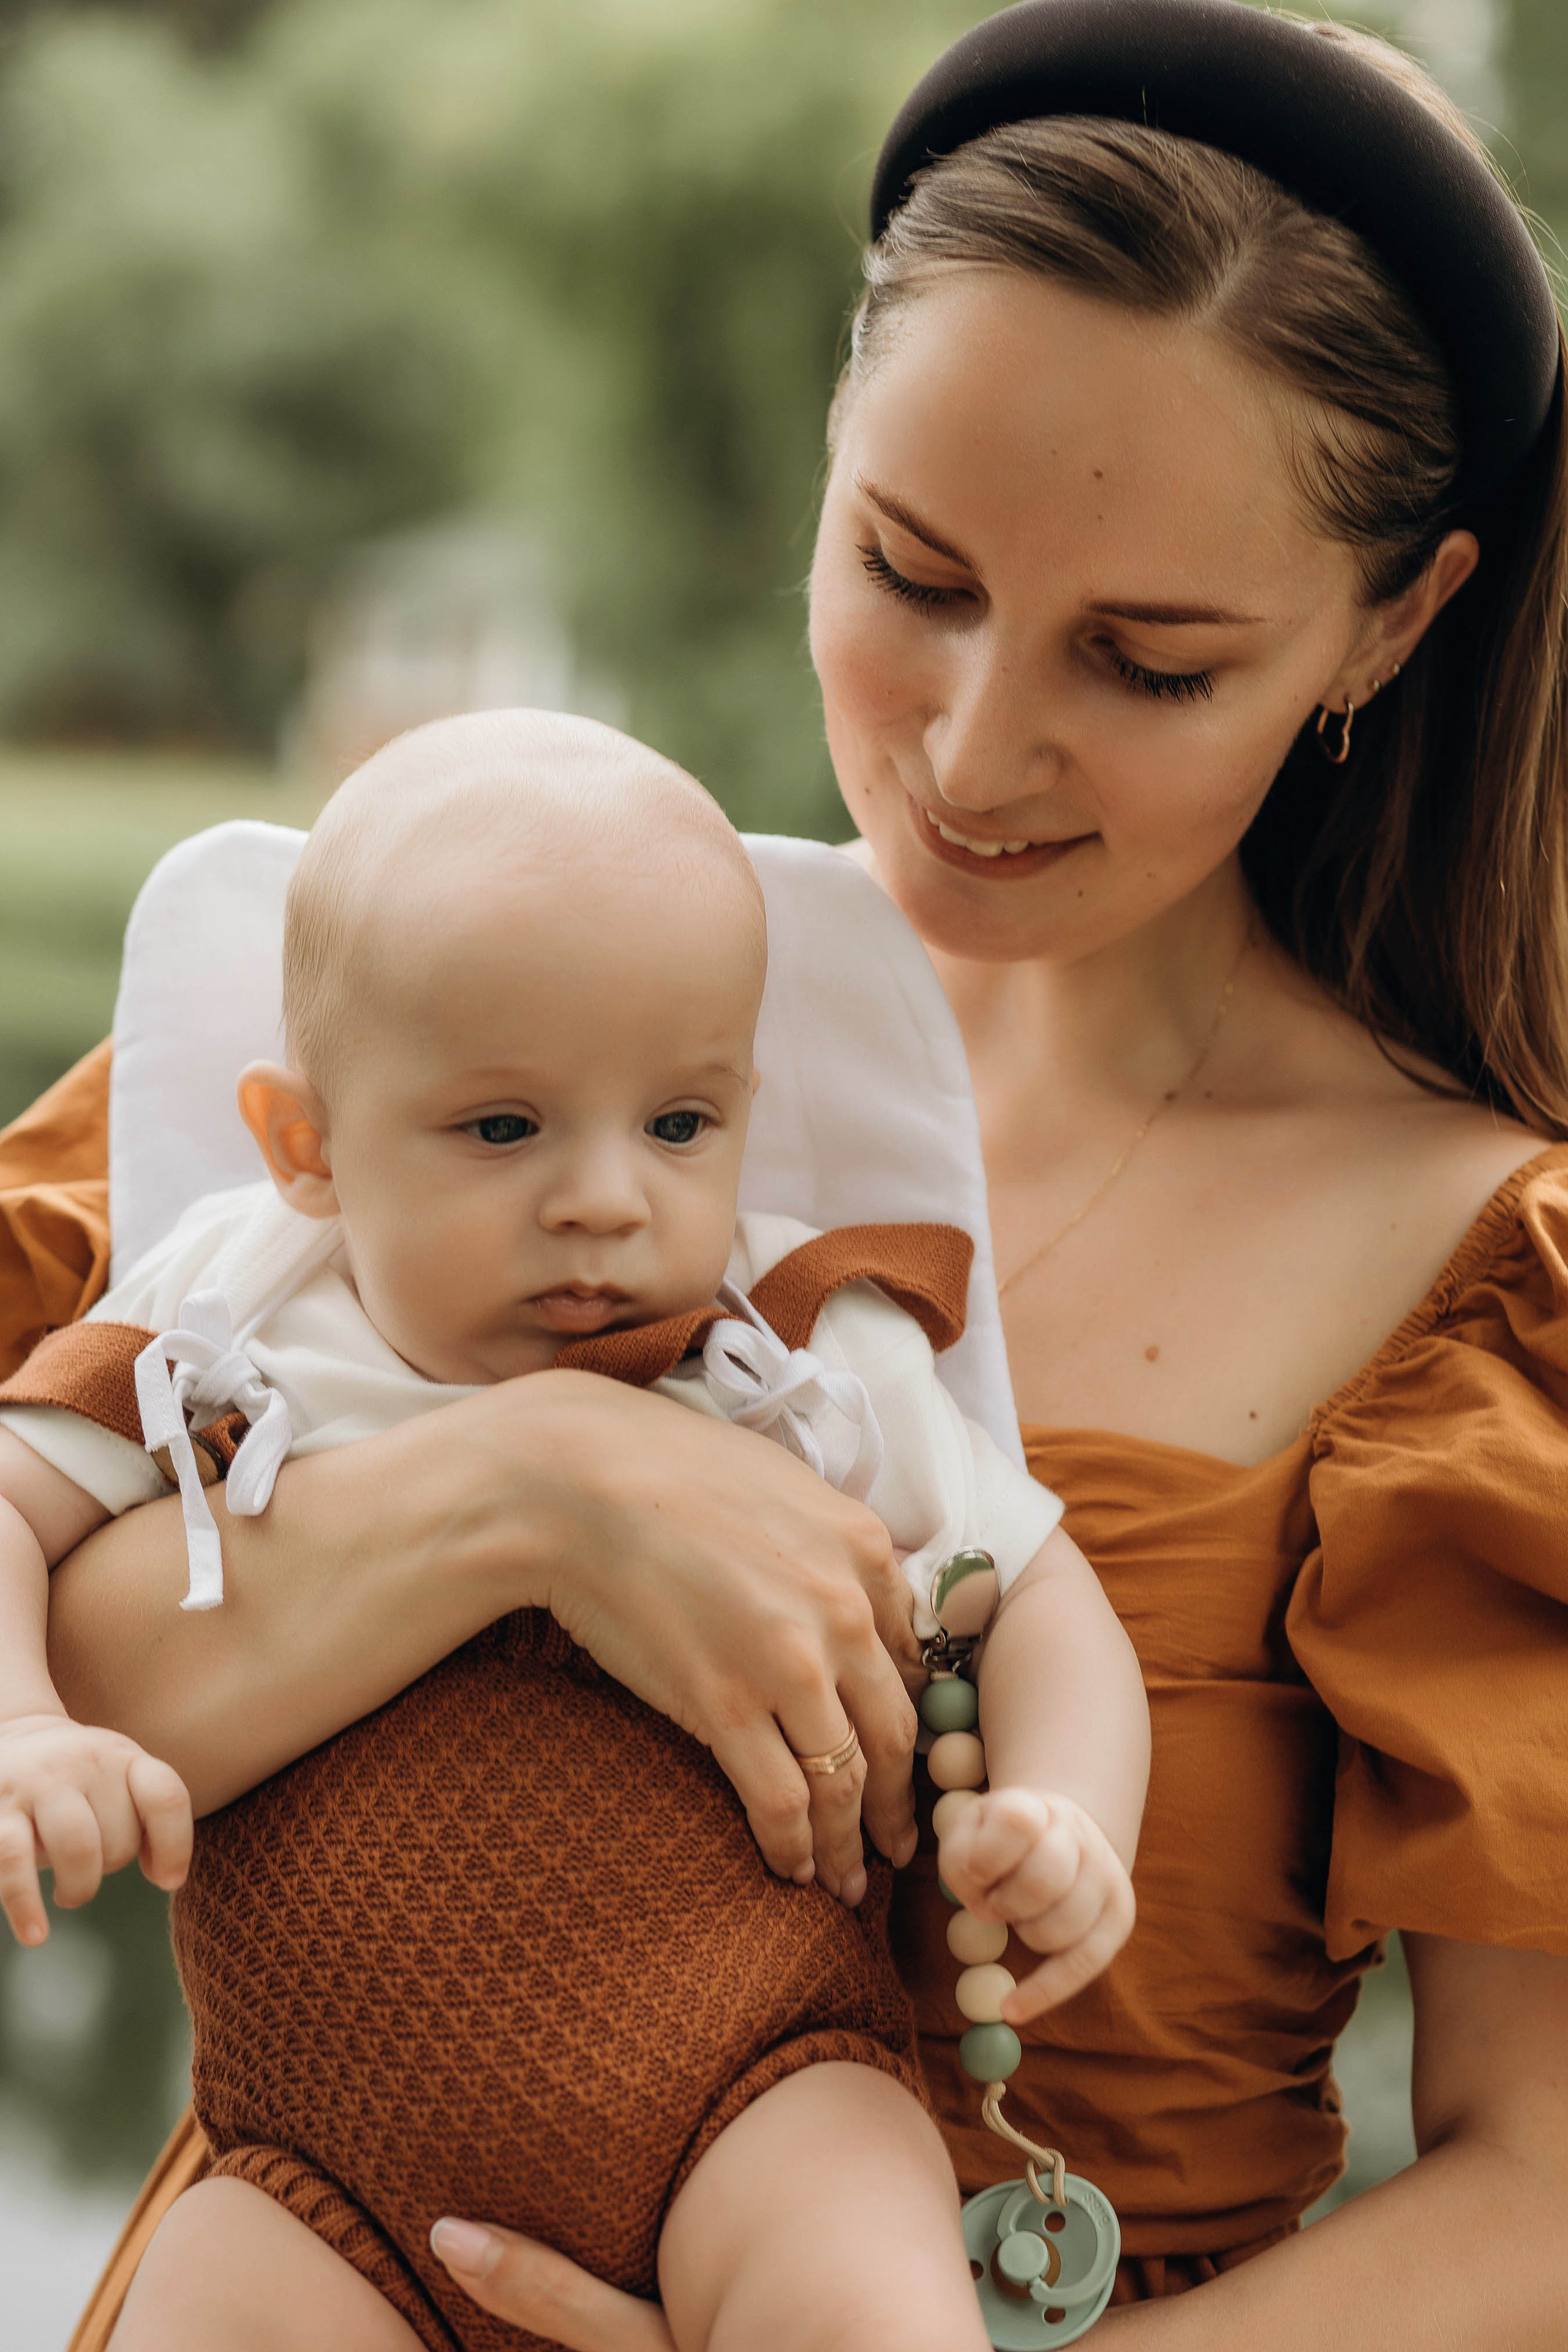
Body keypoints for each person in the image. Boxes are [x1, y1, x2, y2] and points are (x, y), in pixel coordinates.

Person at [7, 0, 1566, 2342]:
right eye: (914, 570)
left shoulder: (1489, 1284)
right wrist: (537, 1487)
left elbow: (1546, 2195)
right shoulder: (455, 1012)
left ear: (1395, 621)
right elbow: (62, 1577)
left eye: (1148, 664)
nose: (974, 749)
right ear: (836, 440)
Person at [0, 709, 1147, 2351]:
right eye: (503, 1128)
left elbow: (1031, 1589)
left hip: (756, 2093)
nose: (608, 1199)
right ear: (306, 1146)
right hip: (319, 2182)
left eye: (679, 1125)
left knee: (856, 2291)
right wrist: (24, 1724)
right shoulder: (232, 1328)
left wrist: (1066, 1810)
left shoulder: (792, 1355)